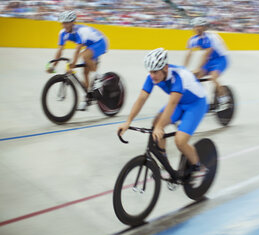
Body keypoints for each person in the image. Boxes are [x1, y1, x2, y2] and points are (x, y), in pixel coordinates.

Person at [118, 48, 208, 179]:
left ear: (165, 68)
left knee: (180, 141)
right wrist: (128, 121)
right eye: (150, 72)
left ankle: (198, 167)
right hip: (180, 102)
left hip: (196, 104)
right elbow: (142, 98)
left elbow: (171, 104)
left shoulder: (179, 77)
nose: (152, 75)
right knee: (156, 123)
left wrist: (160, 127)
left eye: (155, 72)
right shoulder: (152, 77)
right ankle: (164, 162)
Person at [46, 10, 109, 111]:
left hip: (100, 42)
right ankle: (88, 99)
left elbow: (77, 51)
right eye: (63, 23)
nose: (64, 25)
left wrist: (72, 65)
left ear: (73, 22)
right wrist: (54, 66)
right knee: (85, 72)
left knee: (84, 56)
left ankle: (98, 77)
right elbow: (60, 51)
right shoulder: (62, 33)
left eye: (67, 23)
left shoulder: (80, 32)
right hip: (90, 46)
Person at [184, 17, 229, 103]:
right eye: (195, 26)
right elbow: (189, 54)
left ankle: (223, 97)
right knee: (196, 77)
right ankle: (200, 97)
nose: (197, 28)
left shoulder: (210, 37)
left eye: (200, 26)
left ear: (204, 27)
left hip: (221, 59)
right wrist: (184, 68)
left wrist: (198, 68)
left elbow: (206, 54)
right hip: (210, 60)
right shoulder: (193, 39)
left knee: (213, 77)